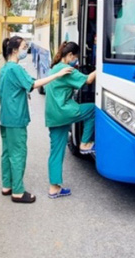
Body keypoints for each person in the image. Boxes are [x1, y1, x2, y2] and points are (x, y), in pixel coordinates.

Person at [0, 36, 73, 203]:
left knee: (7, 153)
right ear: (15, 50)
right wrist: (57, 75)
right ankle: (17, 191)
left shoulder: (5, 68)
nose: (26, 49)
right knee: (18, 154)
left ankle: (7, 185)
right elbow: (33, 84)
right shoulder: (15, 69)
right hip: (16, 119)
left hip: (5, 118)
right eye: (24, 47)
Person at [44, 41, 96, 199]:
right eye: (76, 57)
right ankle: (85, 143)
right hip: (64, 111)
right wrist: (100, 67)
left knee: (56, 152)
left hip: (53, 115)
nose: (76, 60)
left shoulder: (56, 67)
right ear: (70, 55)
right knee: (93, 109)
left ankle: (54, 188)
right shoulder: (66, 70)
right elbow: (88, 80)